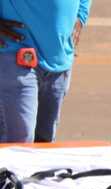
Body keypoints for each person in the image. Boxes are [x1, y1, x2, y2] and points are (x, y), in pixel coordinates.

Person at [0, 0, 91, 143]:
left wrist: (81, 14)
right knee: (19, 141)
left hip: (59, 56)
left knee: (45, 143)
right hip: (15, 50)